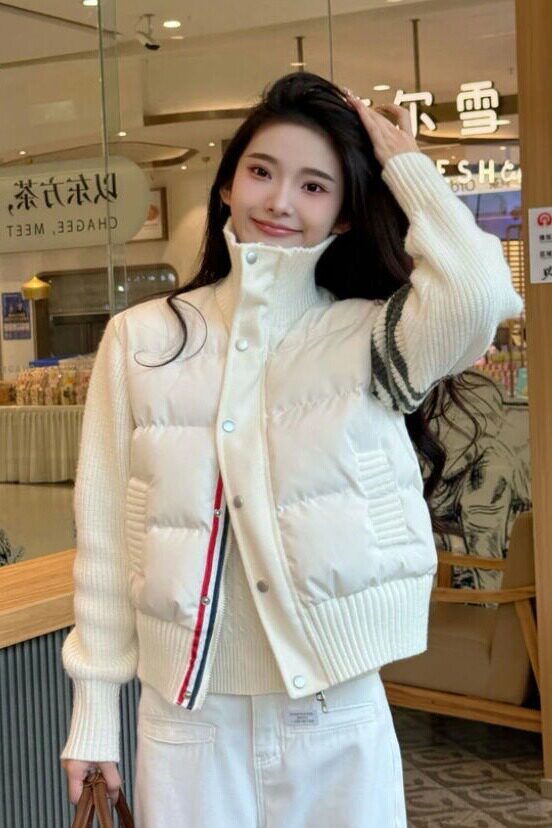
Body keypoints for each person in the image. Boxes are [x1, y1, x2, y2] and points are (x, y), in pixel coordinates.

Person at [61, 72, 523, 826]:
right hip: (188, 718)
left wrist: (405, 165)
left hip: (335, 710)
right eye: (261, 172)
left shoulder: (372, 335)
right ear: (226, 186)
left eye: (314, 186)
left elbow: (478, 293)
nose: (279, 201)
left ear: (344, 214)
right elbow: (108, 539)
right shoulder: (142, 339)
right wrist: (93, 712)